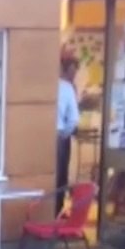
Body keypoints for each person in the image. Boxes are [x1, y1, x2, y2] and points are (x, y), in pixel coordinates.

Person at [56, 57, 81, 212]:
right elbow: (74, 119)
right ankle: (56, 211)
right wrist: (64, 134)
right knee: (60, 176)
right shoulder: (66, 88)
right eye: (72, 71)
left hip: (46, 134)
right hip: (59, 136)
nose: (74, 75)